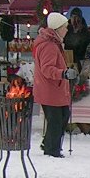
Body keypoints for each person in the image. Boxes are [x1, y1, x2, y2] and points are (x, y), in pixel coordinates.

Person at [33, 11, 78, 157]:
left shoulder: (52, 43)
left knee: (62, 116)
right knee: (56, 120)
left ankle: (49, 144)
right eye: (65, 27)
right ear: (57, 28)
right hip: (50, 89)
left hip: (53, 89)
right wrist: (63, 73)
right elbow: (47, 69)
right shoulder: (49, 46)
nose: (67, 30)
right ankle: (52, 150)